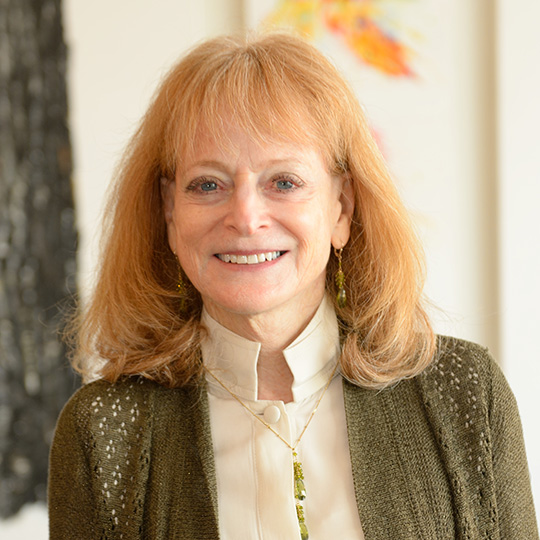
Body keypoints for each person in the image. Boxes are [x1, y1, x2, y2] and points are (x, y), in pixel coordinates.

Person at [48, 32, 538, 539]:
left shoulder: (466, 394)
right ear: (171, 213)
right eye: (208, 184)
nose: (245, 216)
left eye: (283, 182)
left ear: (342, 208)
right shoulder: (102, 431)